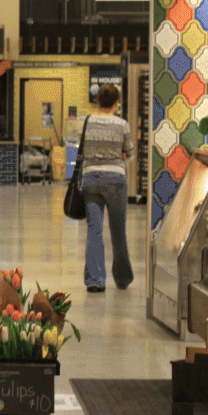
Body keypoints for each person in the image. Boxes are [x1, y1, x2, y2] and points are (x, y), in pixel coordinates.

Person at [78, 84, 134, 293]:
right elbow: (129, 152)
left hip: (91, 180)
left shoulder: (88, 122)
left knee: (94, 230)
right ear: (117, 103)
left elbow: (82, 149)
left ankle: (95, 280)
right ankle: (122, 279)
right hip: (115, 180)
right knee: (118, 231)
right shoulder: (122, 124)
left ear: (98, 101)